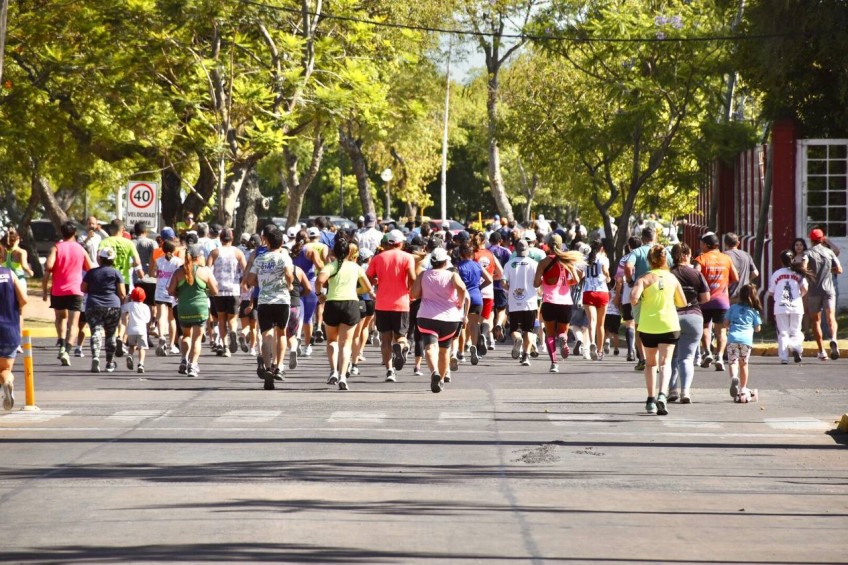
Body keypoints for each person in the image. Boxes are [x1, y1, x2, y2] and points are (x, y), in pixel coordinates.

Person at [630, 244, 686, 416]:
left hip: (648, 325)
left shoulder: (644, 278)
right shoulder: (672, 278)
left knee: (650, 363)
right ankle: (662, 394)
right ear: (665, 259)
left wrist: (642, 299)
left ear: (650, 261)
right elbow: (682, 302)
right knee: (665, 363)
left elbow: (633, 298)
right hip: (669, 325)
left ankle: (650, 399)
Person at [316, 236, 372, 391]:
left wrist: (319, 294)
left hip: (332, 303)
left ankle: (333, 371)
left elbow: (319, 280)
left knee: (331, 341)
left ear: (334, 252)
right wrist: (355, 290)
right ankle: (342, 376)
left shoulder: (330, 266)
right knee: (346, 343)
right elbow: (367, 288)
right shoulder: (356, 267)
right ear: (349, 252)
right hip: (351, 304)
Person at [411, 247, 468, 393]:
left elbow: (414, 294)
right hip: (449, 318)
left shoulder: (423, 274)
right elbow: (462, 288)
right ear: (445, 262)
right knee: (444, 350)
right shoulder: (452, 275)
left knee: (430, 346)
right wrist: (460, 302)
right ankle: (441, 379)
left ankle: (434, 371)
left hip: (427, 316)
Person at [244, 228, 294, 388]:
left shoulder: (260, 258)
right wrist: (289, 284)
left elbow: (250, 280)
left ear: (267, 242)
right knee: (281, 333)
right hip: (282, 300)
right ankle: (278, 366)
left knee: (266, 335)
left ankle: (267, 368)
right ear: (281, 242)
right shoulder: (284, 257)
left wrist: (262, 283)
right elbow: (289, 275)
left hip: (264, 301)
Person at [366, 228, 416, 381]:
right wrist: (411, 291)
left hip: (382, 303)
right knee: (401, 336)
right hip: (401, 303)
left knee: (385, 339)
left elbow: (368, 277)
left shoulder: (378, 258)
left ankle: (389, 371)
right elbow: (412, 277)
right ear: (401, 243)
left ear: (388, 243)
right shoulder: (407, 257)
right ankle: (400, 347)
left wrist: (376, 282)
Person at [43, 221, 94, 366]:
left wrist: (45, 289)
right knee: (73, 324)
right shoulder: (80, 249)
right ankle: (67, 350)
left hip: (58, 290)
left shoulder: (56, 247)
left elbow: (49, 266)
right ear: (75, 233)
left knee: (60, 318)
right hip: (76, 290)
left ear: (62, 233)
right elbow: (90, 268)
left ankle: (61, 342)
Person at [534, 234, 584, 373]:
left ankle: (554, 363)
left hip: (549, 301)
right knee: (562, 332)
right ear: (561, 245)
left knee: (550, 334)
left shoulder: (543, 262)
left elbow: (536, 283)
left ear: (548, 245)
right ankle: (563, 339)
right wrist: (566, 283)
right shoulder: (567, 261)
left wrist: (544, 280)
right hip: (565, 302)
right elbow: (577, 280)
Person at [168, 245, 218, 378]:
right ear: (199, 257)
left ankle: (184, 358)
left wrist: (179, 293)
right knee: (197, 339)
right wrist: (205, 291)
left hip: (183, 308)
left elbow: (170, 291)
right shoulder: (205, 271)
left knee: (186, 335)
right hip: (200, 308)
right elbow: (215, 291)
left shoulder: (179, 272)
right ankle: (193, 365)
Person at [668, 243, 710, 403]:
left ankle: (672, 390)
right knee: (686, 358)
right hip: (693, 317)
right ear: (686, 255)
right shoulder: (696, 273)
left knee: (671, 357)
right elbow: (705, 297)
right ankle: (685, 392)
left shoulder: (668, 274)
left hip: (672, 317)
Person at [694, 232, 738, 371]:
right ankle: (719, 357)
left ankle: (707, 351)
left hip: (704, 300)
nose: (700, 245)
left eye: (702, 243)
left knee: (704, 327)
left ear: (706, 245)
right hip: (722, 300)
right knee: (721, 331)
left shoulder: (701, 259)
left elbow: (695, 276)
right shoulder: (726, 258)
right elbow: (735, 277)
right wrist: (724, 284)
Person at [82, 247, 127, 373]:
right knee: (111, 334)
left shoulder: (91, 273)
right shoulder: (116, 273)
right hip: (113, 306)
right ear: (113, 260)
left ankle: (95, 357)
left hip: (93, 305)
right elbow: (122, 293)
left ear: (100, 259)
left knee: (96, 331)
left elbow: (83, 288)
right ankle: (109, 363)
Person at [207, 228, 247, 358]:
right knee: (232, 318)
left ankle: (225, 347)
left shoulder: (214, 252)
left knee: (221, 319)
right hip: (234, 290)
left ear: (220, 238)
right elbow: (246, 270)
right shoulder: (238, 252)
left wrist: (209, 286)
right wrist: (243, 283)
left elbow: (207, 270)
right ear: (232, 238)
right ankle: (233, 331)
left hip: (218, 291)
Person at [805, 228, 842, 361]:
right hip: (829, 290)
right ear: (822, 239)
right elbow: (839, 270)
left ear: (810, 239)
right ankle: (833, 338)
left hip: (814, 290)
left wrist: (811, 273)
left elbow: (803, 267)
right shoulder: (829, 252)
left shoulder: (808, 253)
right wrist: (827, 270)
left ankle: (821, 350)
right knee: (831, 317)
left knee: (816, 321)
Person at [502, 238, 539, 366]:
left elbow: (503, 282)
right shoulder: (534, 264)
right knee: (528, 330)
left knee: (515, 329)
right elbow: (539, 282)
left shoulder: (509, 264)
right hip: (530, 302)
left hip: (514, 302)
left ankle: (518, 339)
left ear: (515, 250)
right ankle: (526, 356)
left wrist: (509, 290)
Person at [455, 242, 493, 366]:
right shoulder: (478, 265)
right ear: (472, 254)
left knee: (461, 324)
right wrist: (479, 287)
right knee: (474, 324)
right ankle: (474, 347)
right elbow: (489, 280)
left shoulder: (458, 267)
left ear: (460, 254)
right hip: (476, 297)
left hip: (462, 298)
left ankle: (460, 351)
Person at [768, 250, 808, 364]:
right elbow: (805, 288)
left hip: (780, 306)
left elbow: (771, 291)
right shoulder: (798, 273)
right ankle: (796, 347)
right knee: (796, 331)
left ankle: (784, 357)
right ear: (793, 259)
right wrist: (799, 296)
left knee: (783, 333)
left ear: (781, 261)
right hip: (796, 306)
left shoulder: (777, 274)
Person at [725, 284, 763, 403]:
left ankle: (734, 377)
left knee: (733, 362)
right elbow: (757, 328)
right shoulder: (753, 311)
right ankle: (743, 389)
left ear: (740, 295)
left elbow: (725, 323)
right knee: (744, 364)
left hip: (732, 338)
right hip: (746, 340)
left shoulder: (733, 308)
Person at [0, 263, 27, 410]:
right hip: (10, 330)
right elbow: (23, 299)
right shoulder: (9, 273)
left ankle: (6, 384)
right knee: (5, 369)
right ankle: (7, 382)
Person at [150, 240, 183, 356]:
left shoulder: (158, 260)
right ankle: (172, 344)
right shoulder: (178, 261)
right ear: (174, 250)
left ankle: (161, 336)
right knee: (172, 319)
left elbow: (153, 274)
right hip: (172, 292)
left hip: (160, 291)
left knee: (161, 316)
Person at [3, 227, 33, 348]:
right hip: (19, 281)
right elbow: (24, 266)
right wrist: (31, 272)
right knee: (20, 312)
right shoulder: (21, 252)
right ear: (18, 239)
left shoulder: (4, 251)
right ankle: (17, 342)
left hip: (5, 281)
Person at [581, 239, 610, 361]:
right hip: (602, 292)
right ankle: (600, 350)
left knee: (591, 321)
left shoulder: (584, 259)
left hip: (588, 292)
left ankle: (592, 342)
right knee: (601, 324)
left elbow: (580, 274)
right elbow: (606, 273)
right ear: (601, 248)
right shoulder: (603, 259)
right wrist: (608, 278)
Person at [350, 248, 376, 377]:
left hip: (357, 299)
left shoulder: (355, 267)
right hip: (369, 299)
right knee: (365, 327)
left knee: (355, 331)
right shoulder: (370, 268)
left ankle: (353, 352)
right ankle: (360, 351)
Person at [723, 232, 759, 303]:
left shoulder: (723, 256)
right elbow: (756, 273)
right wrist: (746, 279)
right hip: (745, 295)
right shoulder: (746, 255)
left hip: (729, 296)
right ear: (738, 243)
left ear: (725, 244)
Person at [122, 286, 151, 373]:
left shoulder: (130, 305)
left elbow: (122, 308)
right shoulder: (146, 307)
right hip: (142, 330)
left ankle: (130, 355)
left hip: (131, 330)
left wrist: (126, 300)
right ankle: (141, 364)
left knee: (131, 346)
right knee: (142, 348)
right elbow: (147, 320)